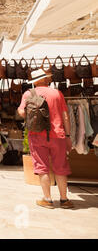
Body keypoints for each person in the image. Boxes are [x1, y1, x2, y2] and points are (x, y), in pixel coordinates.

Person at [17, 68, 74, 209]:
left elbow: (21, 112)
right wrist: (67, 136)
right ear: (46, 79)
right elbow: (65, 116)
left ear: (35, 81)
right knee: (61, 167)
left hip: (37, 135)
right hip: (58, 135)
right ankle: (64, 199)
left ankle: (47, 199)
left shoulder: (28, 93)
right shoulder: (57, 93)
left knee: (42, 167)